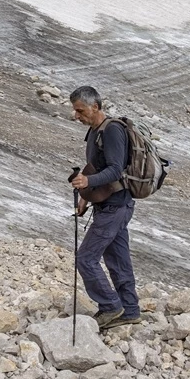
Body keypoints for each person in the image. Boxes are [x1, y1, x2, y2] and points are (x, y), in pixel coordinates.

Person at [69, 86, 141, 329]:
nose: (76, 116)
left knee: (86, 259)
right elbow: (95, 166)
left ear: (95, 107)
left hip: (115, 207)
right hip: (109, 206)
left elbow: (114, 169)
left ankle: (111, 306)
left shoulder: (111, 131)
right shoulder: (94, 132)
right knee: (118, 260)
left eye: (80, 110)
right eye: (75, 111)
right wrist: (85, 197)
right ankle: (130, 310)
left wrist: (87, 182)